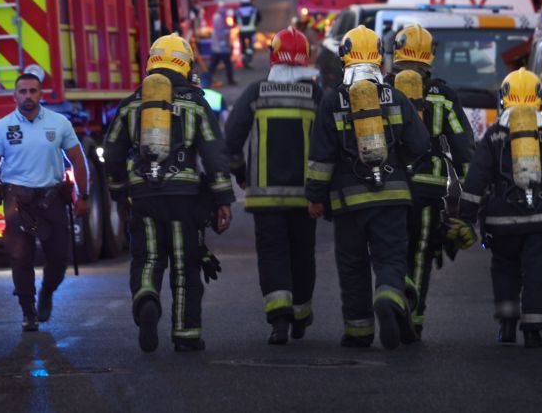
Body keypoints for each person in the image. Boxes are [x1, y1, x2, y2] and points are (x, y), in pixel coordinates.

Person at [102, 33, 235, 353]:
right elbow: (214, 152)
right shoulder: (195, 102)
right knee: (185, 263)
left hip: (144, 195)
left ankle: (147, 298)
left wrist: (119, 194)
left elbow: (113, 152)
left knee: (146, 258)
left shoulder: (132, 103)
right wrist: (222, 199)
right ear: (185, 63)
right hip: (185, 197)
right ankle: (186, 334)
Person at [305, 25, 430, 350]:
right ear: (379, 59)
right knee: (390, 258)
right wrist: (398, 162)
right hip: (392, 196)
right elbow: (419, 143)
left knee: (352, 265)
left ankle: (358, 332)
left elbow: (321, 157)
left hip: (347, 203)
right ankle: (388, 297)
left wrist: (316, 198)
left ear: (345, 57)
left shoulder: (333, 99)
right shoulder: (395, 96)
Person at [458, 67, 542, 348]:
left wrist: (465, 217)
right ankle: (534, 329)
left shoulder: (494, 135)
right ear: (539, 97)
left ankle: (507, 325)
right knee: (538, 270)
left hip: (503, 220)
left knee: (504, 268)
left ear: (504, 97)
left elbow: (477, 178)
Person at [225, 27, 322, 345]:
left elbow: (232, 138)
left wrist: (240, 174)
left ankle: (279, 320)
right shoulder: (316, 94)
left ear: (273, 58)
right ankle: (300, 314)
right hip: (306, 197)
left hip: (265, 198)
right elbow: (330, 142)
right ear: (305, 59)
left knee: (272, 254)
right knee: (302, 255)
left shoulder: (256, 92)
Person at [0, 71, 89, 332]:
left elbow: (78, 159)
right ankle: (28, 311)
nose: (28, 96)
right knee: (20, 257)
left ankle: (47, 293)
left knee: (59, 258)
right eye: (23, 91)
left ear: (41, 94)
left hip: (52, 199)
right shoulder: (2, 128)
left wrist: (83, 196)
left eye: (33, 91)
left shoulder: (59, 123)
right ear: (15, 96)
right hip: (17, 199)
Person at [385, 24, 475, 339]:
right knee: (422, 251)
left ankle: (397, 289)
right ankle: (416, 318)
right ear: (430, 56)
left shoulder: (382, 89)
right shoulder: (444, 96)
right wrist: (467, 198)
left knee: (392, 249)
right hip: (429, 188)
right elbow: (464, 148)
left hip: (389, 186)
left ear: (395, 53)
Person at [207, 4, 236, 86]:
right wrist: (228, 45)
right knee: (228, 64)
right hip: (223, 48)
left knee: (213, 65)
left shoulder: (217, 17)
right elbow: (224, 34)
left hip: (216, 47)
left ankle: (208, 79)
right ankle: (230, 80)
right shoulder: (220, 18)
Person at [236, 0, 261, 67]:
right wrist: (255, 24)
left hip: (242, 31)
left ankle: (244, 56)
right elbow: (259, 18)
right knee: (251, 46)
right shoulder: (253, 9)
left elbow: (235, 19)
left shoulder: (238, 10)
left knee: (243, 45)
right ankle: (248, 58)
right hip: (251, 31)